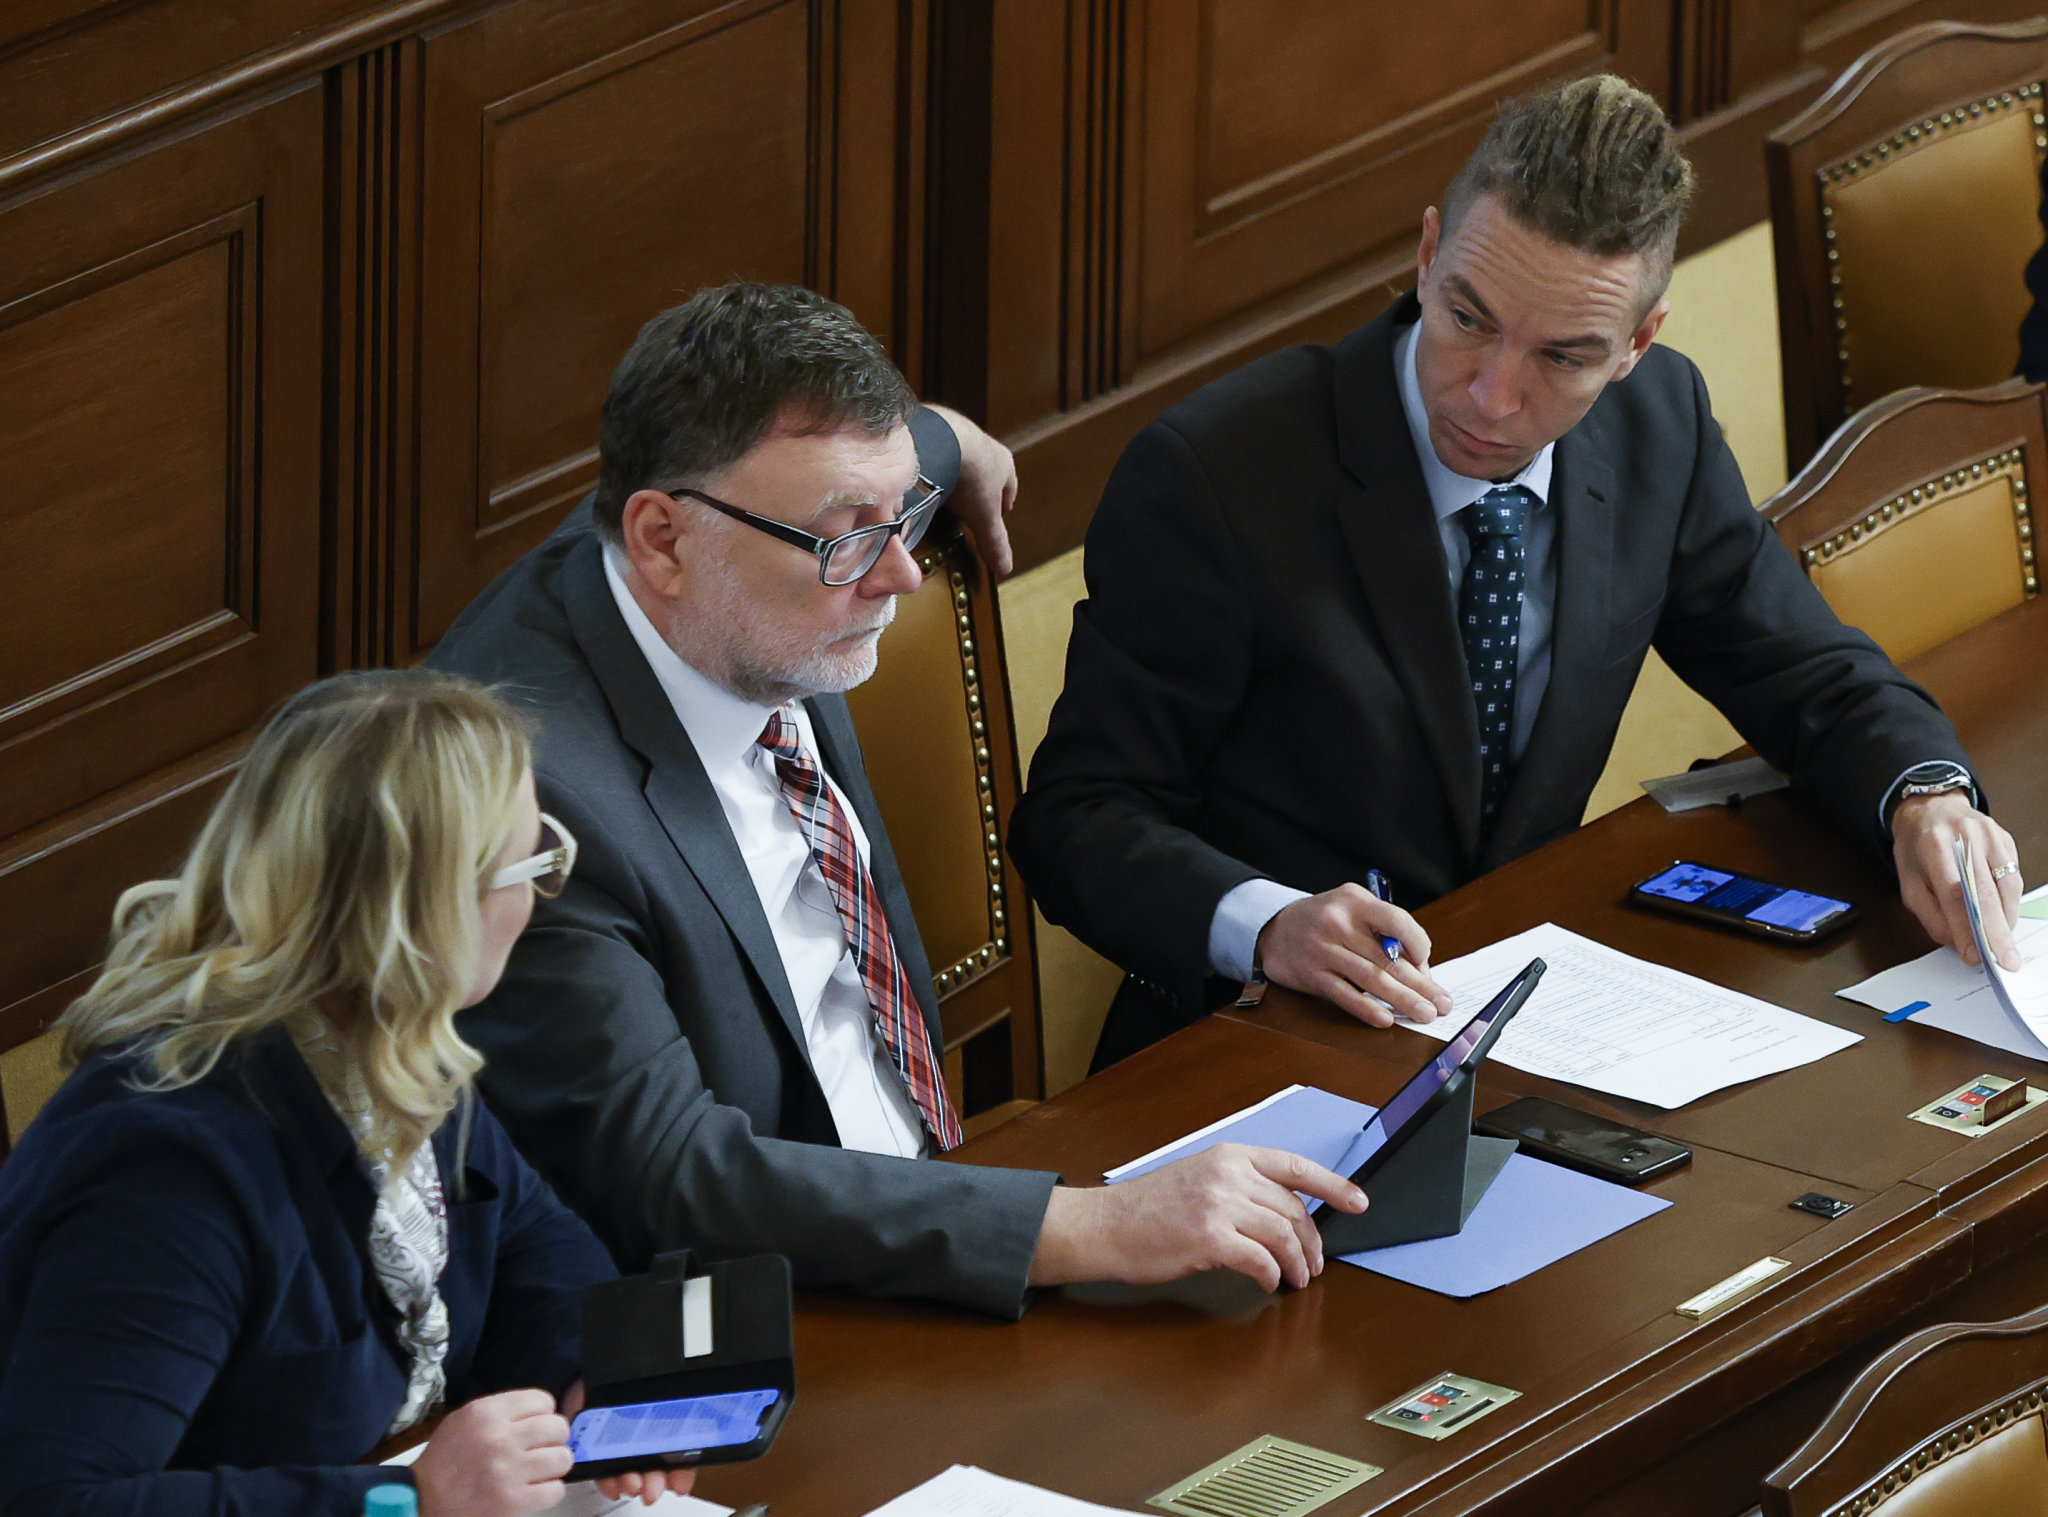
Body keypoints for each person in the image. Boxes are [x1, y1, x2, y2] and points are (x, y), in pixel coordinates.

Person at [1008, 74, 2027, 1073]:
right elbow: (1077, 816)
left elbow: (1804, 671)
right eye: (1469, 319)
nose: (1493, 398)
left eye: (1561, 358)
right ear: (1426, 256)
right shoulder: (1216, 472)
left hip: (1527, 1026)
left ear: (1636, 344)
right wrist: (1268, 924)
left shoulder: (1656, 424)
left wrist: (1923, 796)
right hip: (1254, 1044)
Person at [430, 282, 1367, 1320]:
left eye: (904, 514)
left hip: (943, 1193)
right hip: (760, 1305)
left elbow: (875, 459)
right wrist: (1086, 1228)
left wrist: (946, 445)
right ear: (661, 542)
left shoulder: (746, 522)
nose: (901, 576)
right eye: (845, 538)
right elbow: (673, 1179)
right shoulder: (530, 808)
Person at [0, 670, 687, 1516]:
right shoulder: (166, 1168)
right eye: (536, 861)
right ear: (427, 909)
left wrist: (592, 1368)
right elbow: (54, 1500)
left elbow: (532, 1238)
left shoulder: (388, 1039)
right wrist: (409, 1500)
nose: (540, 896)